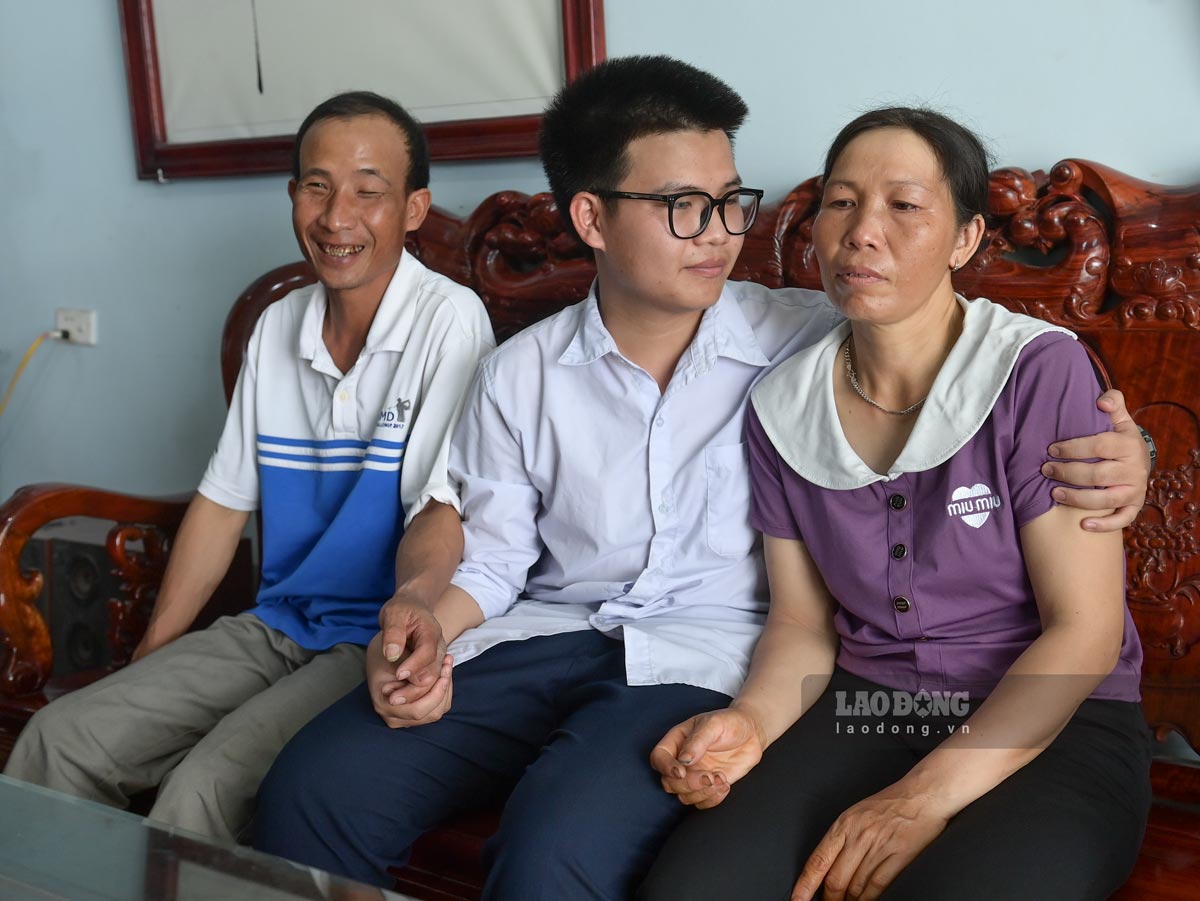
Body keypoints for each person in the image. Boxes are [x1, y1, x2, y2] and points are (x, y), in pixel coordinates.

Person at [254, 60, 1150, 899]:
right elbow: (493, 554)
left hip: (710, 659)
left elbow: (982, 369)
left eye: (730, 204)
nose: (720, 235)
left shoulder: (813, 338)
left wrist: (1129, 450)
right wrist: (426, 623)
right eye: (685, 206)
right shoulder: (598, 375)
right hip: (592, 645)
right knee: (309, 785)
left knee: (553, 844)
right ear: (592, 220)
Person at [640, 107, 1151, 901]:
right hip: (868, 709)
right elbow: (801, 626)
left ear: (966, 239)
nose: (861, 232)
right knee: (691, 889)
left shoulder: (1036, 372)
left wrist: (919, 798)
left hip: (1058, 719)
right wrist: (748, 724)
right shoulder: (783, 404)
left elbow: (1083, 630)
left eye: (904, 206)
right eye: (841, 203)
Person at [3, 91, 494, 843]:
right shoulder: (278, 325)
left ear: (415, 207)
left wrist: (409, 620)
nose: (337, 216)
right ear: (292, 195)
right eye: (316, 186)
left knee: (201, 791)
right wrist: (151, 658)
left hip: (375, 638)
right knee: (58, 739)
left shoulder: (448, 320)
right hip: (275, 623)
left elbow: (441, 513)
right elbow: (223, 503)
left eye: (369, 191)